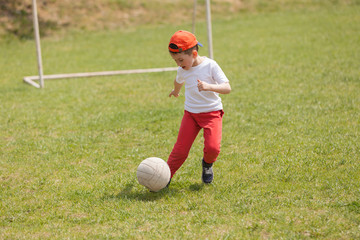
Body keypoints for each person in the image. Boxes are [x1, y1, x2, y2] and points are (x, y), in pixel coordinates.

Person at [167, 30, 231, 186]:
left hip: (212, 113)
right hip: (191, 114)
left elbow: (227, 88)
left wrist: (209, 86)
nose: (178, 64)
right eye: (175, 60)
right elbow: (178, 81)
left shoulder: (210, 66)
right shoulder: (183, 70)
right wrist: (176, 91)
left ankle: (207, 165)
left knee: (213, 148)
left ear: (194, 54)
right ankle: (164, 177)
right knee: (180, 151)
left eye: (181, 60)